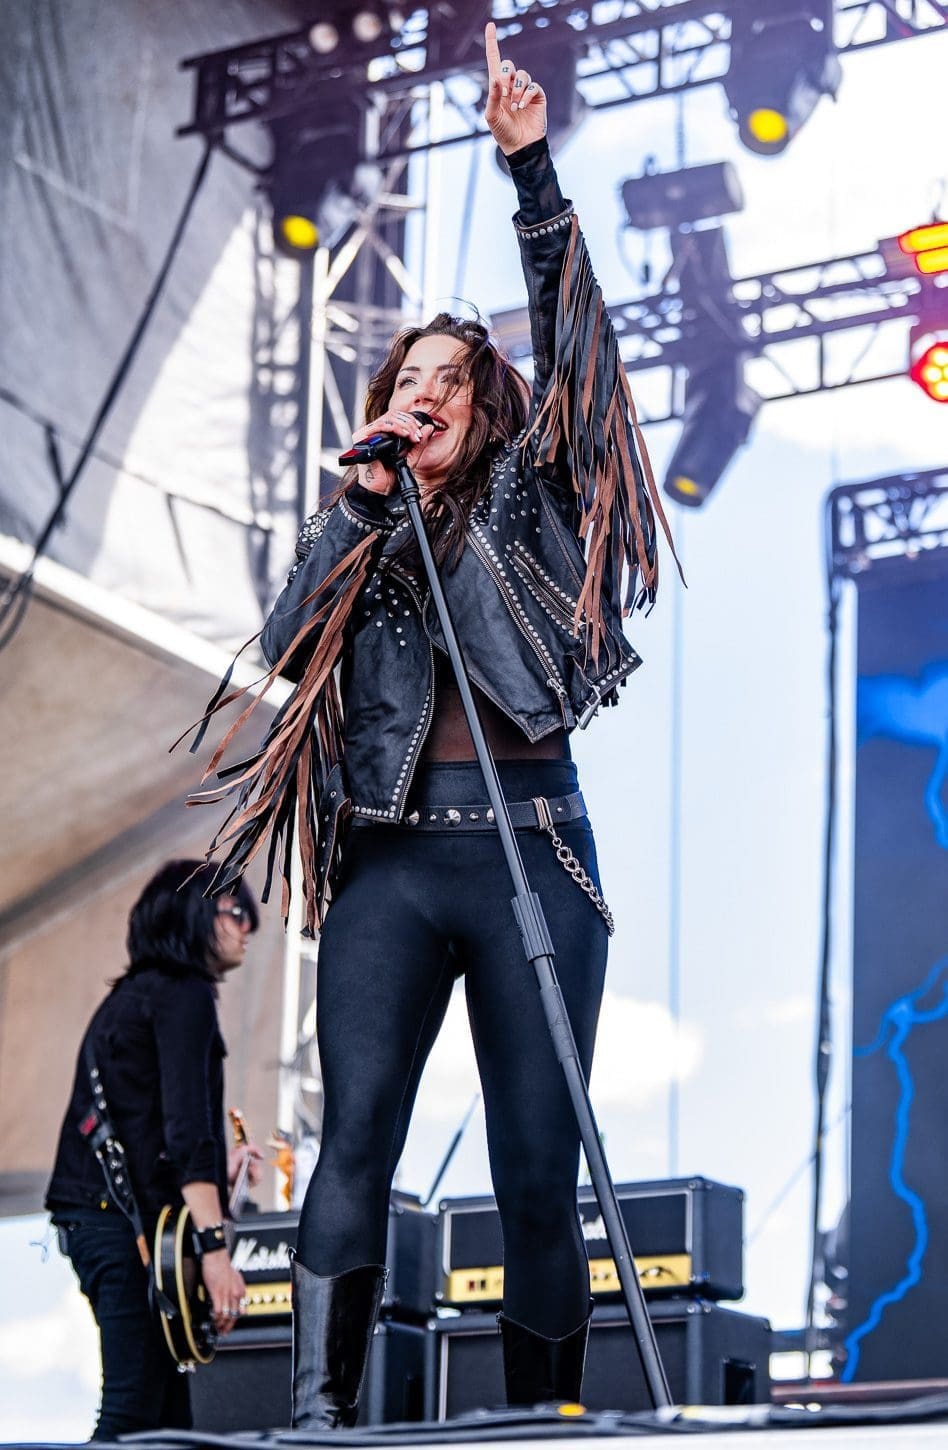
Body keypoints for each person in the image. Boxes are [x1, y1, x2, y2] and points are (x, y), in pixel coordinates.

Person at [195, 21, 677, 1428]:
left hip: (531, 843)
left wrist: (532, 176)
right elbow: (286, 646)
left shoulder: (528, 493)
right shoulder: (363, 517)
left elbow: (581, 354)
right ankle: (324, 1410)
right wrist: (357, 506)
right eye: (409, 379)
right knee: (353, 1139)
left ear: (491, 406)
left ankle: (542, 1412)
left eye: (450, 380)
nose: (425, 395)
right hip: (395, 860)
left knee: (537, 1158)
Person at [46, 860, 264, 1439]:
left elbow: (149, 1128)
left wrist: (221, 1168)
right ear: (194, 913)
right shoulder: (184, 994)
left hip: (104, 1217)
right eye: (237, 911)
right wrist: (215, 1254)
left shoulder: (136, 996)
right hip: (118, 1225)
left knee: (169, 1423)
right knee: (133, 1411)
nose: (248, 928)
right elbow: (185, 1130)